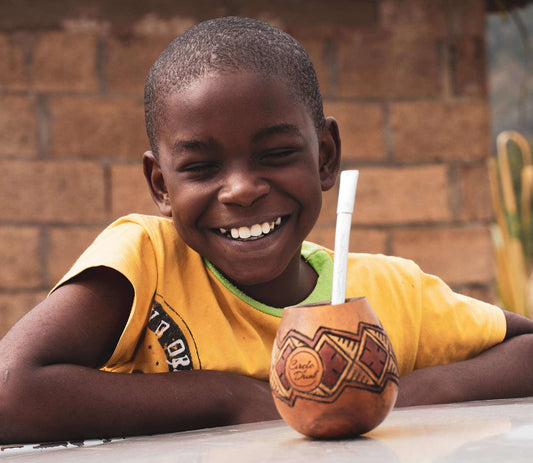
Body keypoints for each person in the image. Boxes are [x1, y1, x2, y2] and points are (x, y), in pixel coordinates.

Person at [1, 16, 532, 445]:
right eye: (201, 168)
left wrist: (390, 393)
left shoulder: (394, 295)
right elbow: (9, 392)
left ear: (325, 157)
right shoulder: (147, 263)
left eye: (276, 155)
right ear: (160, 185)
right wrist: (234, 399)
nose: (240, 190)